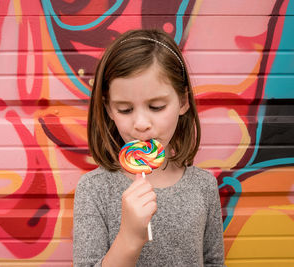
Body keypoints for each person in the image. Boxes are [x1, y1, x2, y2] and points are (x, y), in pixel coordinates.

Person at [73, 29, 225, 266]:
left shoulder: (203, 186)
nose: (141, 124)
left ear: (183, 101)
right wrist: (130, 238)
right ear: (109, 109)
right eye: (125, 109)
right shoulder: (94, 190)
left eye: (156, 107)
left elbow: (214, 261)